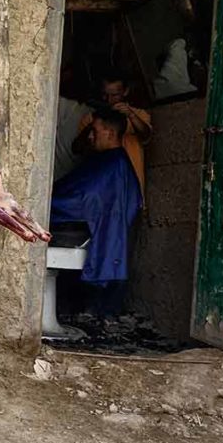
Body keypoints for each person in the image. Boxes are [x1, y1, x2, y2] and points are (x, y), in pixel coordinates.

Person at [52, 109, 143, 317]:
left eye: (95, 131)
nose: (90, 136)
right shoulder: (107, 162)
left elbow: (83, 200)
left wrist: (47, 203)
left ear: (110, 133)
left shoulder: (113, 165)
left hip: (83, 233)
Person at [73, 72, 152, 195]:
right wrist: (96, 123)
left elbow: (146, 135)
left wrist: (131, 115)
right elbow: (77, 148)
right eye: (105, 95)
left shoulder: (138, 115)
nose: (109, 100)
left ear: (125, 92)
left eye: (114, 95)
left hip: (131, 191)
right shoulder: (90, 118)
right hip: (100, 192)